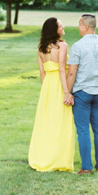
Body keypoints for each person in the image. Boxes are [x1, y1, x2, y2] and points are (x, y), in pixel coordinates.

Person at [67, 13, 98, 175]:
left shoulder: (77, 46)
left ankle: (86, 167)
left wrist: (67, 92)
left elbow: (72, 73)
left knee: (83, 131)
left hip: (82, 93)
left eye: (79, 24)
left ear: (86, 27)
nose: (78, 26)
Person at [28, 17, 75, 172]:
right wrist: (66, 91)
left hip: (47, 86)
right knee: (60, 122)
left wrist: (46, 90)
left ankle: (44, 157)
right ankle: (58, 160)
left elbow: (42, 73)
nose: (63, 27)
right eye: (60, 25)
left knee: (47, 121)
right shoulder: (62, 45)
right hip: (59, 85)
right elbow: (62, 69)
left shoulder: (41, 48)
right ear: (54, 30)